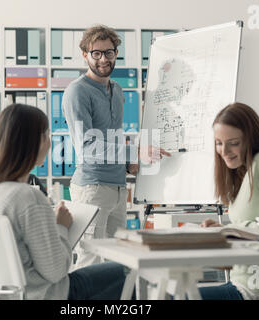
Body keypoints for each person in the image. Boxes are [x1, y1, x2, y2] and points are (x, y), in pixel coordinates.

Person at [0, 103, 130, 300]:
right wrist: (61, 226)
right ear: (32, 142)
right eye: (47, 135)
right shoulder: (27, 197)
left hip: (1, 295)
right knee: (132, 272)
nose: (50, 143)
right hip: (46, 295)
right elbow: (57, 271)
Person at [62, 24, 170, 269]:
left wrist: (129, 163)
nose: (103, 59)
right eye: (96, 53)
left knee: (117, 261)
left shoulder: (117, 90)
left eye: (108, 52)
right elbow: (87, 147)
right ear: (85, 55)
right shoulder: (77, 92)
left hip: (118, 187)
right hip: (92, 187)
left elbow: (113, 137)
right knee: (90, 260)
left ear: (116, 53)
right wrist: (135, 152)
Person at [198, 102, 259, 300]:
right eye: (219, 143)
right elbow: (250, 232)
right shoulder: (242, 174)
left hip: (257, 291)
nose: (224, 150)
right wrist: (220, 233)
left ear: (250, 139)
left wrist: (228, 231)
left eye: (234, 143)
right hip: (239, 283)